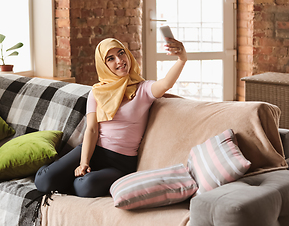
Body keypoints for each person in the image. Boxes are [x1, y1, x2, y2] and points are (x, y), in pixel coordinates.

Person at [34, 37, 187, 197]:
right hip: (93, 151)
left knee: (84, 186)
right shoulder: (97, 92)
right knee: (44, 181)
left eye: (121, 53)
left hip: (120, 162)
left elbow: (165, 84)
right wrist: (84, 162)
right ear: (103, 65)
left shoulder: (142, 90)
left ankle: (75, 181)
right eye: (111, 58)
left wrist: (182, 59)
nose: (120, 61)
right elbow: (92, 129)